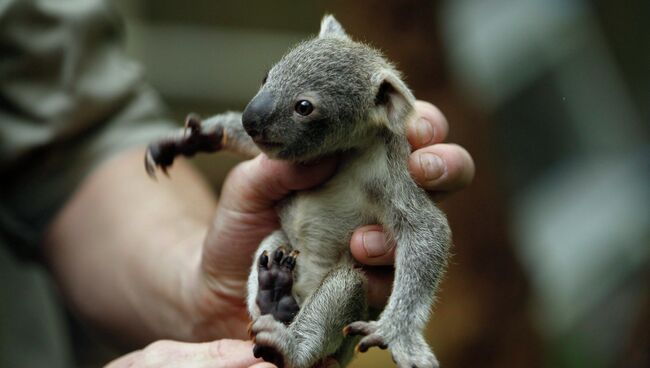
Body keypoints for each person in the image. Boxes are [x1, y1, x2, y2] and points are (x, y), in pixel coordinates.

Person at [0, 1, 474, 367]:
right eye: (269, 80)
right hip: (288, 255)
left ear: (385, 105)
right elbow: (256, 127)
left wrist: (402, 325)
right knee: (277, 236)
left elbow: (426, 231)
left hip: (317, 291)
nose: (258, 111)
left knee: (346, 279)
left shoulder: (388, 149)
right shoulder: (330, 126)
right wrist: (215, 132)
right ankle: (279, 309)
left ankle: (299, 343)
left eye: (305, 108)